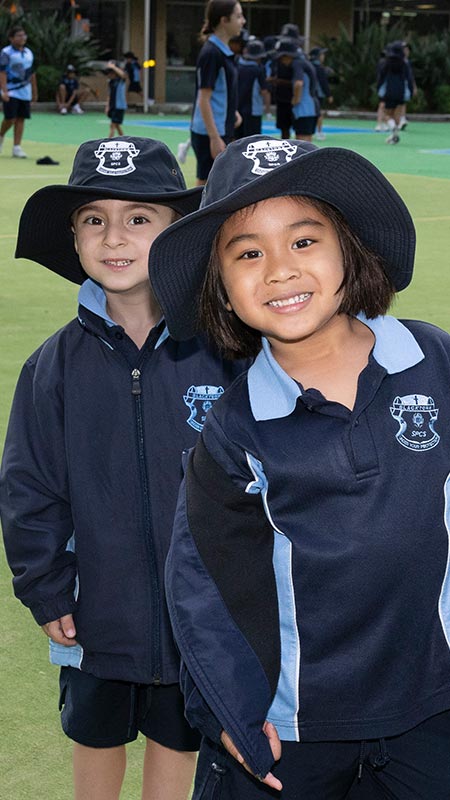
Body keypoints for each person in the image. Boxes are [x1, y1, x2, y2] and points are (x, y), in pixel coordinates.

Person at [148, 134, 450, 799]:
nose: (279, 269)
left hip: (432, 705)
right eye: (248, 253)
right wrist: (227, 712)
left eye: (304, 241)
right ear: (221, 289)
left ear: (350, 249)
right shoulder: (232, 430)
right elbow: (201, 587)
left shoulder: (434, 362)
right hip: (288, 729)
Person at [0, 136, 248, 800]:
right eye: (94, 219)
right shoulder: (52, 367)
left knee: (178, 742)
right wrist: (47, 587)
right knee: (97, 742)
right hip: (93, 610)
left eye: (140, 218)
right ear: (75, 239)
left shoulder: (225, 353)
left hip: (196, 608)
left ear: (176, 234)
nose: (115, 236)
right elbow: (29, 488)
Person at [190, 0, 245, 185]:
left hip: (220, 128)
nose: (243, 21)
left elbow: (221, 91)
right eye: (238, 16)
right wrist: (214, 138)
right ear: (224, 20)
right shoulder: (211, 54)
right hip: (210, 133)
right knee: (206, 186)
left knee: (220, 184)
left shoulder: (223, 52)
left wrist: (232, 112)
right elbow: (203, 99)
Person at [0, 25, 37, 158]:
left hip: (25, 92)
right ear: (11, 38)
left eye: (24, 35)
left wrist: (34, 91)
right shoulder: (6, 52)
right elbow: (2, 72)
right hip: (11, 91)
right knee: (10, 118)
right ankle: (1, 135)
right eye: (19, 36)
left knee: (21, 119)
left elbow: (32, 73)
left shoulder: (28, 53)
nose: (22, 38)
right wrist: (4, 91)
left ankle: (17, 147)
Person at [377, 40, 414, 145]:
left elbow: (381, 78)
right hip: (401, 92)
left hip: (389, 92)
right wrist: (410, 92)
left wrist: (378, 89)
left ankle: (392, 127)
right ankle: (394, 136)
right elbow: (409, 79)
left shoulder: (386, 63)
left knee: (386, 114)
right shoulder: (404, 63)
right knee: (397, 115)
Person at [235, 39, 270, 138]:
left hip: (236, 109)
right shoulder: (258, 70)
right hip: (253, 110)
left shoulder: (237, 66)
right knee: (253, 140)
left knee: (237, 140)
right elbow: (264, 91)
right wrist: (267, 109)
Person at [309, 46, 332, 140]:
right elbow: (323, 82)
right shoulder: (319, 68)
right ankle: (319, 132)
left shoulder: (308, 65)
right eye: (322, 54)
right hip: (318, 93)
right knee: (318, 113)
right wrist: (329, 94)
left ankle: (312, 131)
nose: (323, 56)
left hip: (309, 93)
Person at [104, 59, 127, 137]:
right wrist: (107, 106)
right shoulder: (110, 82)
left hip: (119, 106)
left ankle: (108, 141)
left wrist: (113, 67)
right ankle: (124, 138)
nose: (109, 74)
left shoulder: (120, 80)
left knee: (112, 125)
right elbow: (109, 94)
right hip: (112, 106)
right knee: (116, 125)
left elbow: (123, 75)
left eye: (111, 72)